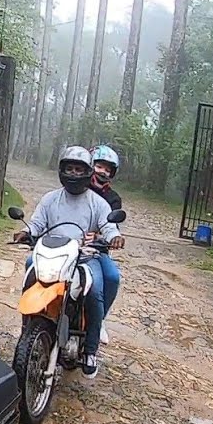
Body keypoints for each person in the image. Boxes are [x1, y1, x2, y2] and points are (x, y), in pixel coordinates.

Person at [11, 146, 125, 379]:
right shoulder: (50, 199)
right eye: (69, 168)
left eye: (78, 169)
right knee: (30, 267)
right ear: (62, 170)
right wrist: (26, 232)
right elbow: (37, 223)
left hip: (85, 255)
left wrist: (113, 237)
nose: (73, 173)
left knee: (94, 293)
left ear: (87, 172)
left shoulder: (99, 202)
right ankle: (29, 328)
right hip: (52, 252)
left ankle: (90, 350)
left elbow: (109, 226)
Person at [88, 145, 124, 344]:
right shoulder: (77, 187)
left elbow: (112, 227)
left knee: (111, 277)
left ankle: (99, 319)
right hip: (66, 243)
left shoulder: (113, 199)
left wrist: (100, 237)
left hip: (96, 249)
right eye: (100, 166)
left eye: (108, 169)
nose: (103, 172)